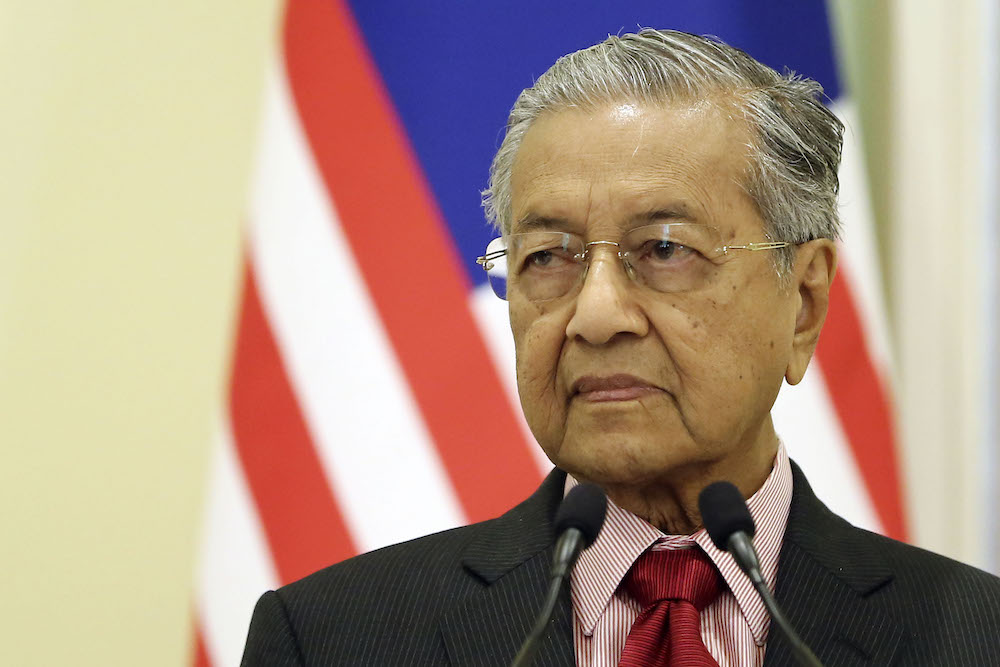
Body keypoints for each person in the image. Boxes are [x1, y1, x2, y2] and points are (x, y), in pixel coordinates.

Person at [241, 29, 1000, 666]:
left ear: (803, 300)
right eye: (548, 256)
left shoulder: (972, 636)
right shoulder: (332, 639)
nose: (595, 315)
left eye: (665, 248)